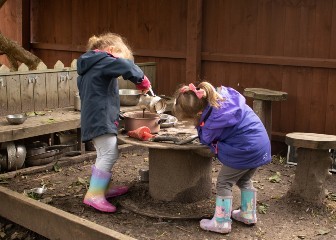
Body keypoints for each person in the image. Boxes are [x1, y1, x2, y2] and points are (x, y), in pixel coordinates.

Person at [173, 82, 271, 234]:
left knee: (224, 183)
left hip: (244, 150)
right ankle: (248, 214)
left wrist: (199, 126)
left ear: (198, 114)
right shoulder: (223, 98)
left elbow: (206, 140)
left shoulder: (212, 123)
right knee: (244, 179)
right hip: (260, 144)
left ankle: (222, 222)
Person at [77, 33, 151, 213]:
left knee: (106, 153)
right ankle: (94, 195)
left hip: (95, 117)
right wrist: (142, 81)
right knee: (109, 154)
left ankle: (103, 188)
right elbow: (126, 66)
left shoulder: (92, 65)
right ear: (110, 51)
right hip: (99, 119)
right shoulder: (103, 59)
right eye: (118, 57)